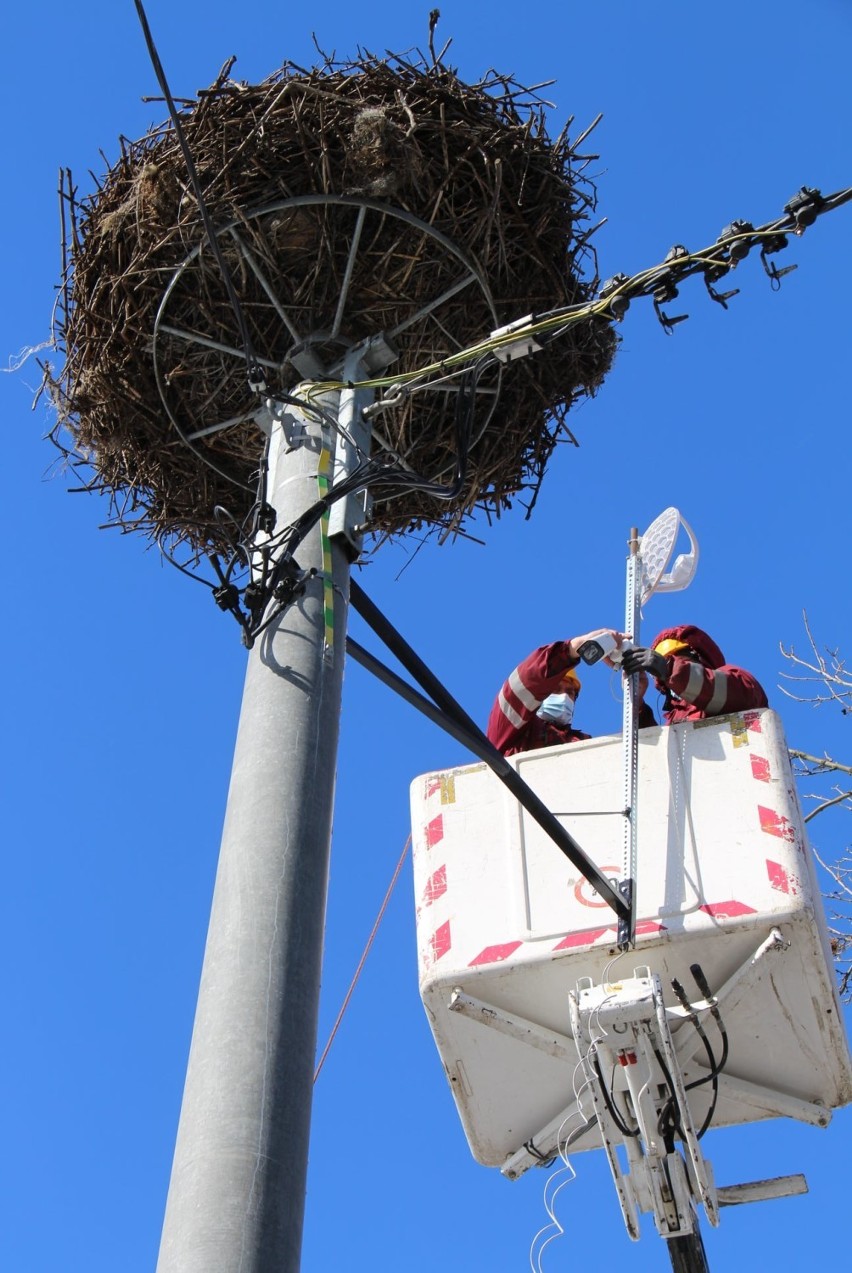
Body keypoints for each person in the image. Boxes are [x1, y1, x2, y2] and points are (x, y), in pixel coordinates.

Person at [487, 629, 627, 756]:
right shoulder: (512, 733)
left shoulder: (582, 744)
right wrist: (572, 649)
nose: (564, 696)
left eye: (570, 692)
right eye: (556, 689)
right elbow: (522, 685)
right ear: (539, 693)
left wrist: (637, 705)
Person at [621, 623, 768, 727]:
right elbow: (651, 758)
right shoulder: (676, 719)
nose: (673, 662)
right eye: (665, 660)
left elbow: (721, 691)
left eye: (678, 658)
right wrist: (637, 705)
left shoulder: (737, 679)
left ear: (698, 656)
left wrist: (668, 669)